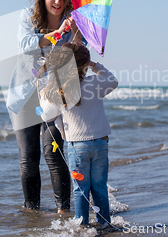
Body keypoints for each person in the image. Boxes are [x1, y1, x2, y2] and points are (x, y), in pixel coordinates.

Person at [6, 0, 84, 212]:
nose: (58, 1)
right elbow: (26, 44)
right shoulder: (27, 17)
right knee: (28, 160)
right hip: (25, 98)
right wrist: (56, 34)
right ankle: (33, 215)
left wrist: (76, 33)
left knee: (54, 155)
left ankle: (63, 213)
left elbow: (81, 55)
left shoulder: (74, 21)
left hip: (54, 98)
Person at [38, 43, 118, 227]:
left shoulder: (60, 90)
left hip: (78, 146)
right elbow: (112, 81)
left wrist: (44, 95)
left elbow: (46, 115)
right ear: (84, 64)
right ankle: (105, 222)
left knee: (81, 189)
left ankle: (81, 225)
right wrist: (93, 65)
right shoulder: (95, 83)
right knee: (99, 187)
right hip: (101, 143)